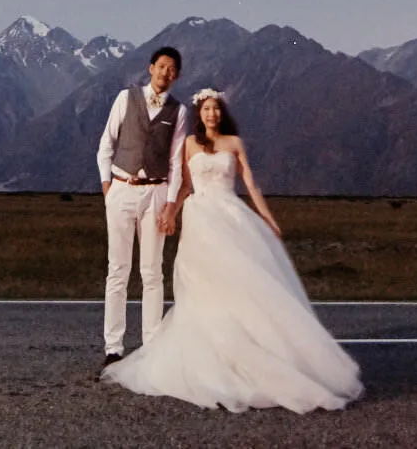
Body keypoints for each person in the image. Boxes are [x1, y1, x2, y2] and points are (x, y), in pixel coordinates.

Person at [102, 88, 363, 413]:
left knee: (240, 284)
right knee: (202, 287)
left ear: (221, 113)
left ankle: (246, 351)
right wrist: (170, 211)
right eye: (207, 109)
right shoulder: (189, 144)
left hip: (230, 217)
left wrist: (267, 218)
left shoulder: (234, 144)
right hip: (199, 220)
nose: (211, 114)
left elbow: (250, 183)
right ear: (200, 113)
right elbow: (183, 184)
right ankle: (210, 352)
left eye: (216, 109)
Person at [95, 45, 187, 364]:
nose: (166, 73)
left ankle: (151, 346)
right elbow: (106, 146)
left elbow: (176, 162)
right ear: (151, 68)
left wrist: (170, 204)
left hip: (156, 193)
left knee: (151, 272)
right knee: (118, 270)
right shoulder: (126, 98)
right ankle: (113, 347)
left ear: (177, 75)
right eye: (161, 66)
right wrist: (108, 190)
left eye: (172, 69)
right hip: (121, 188)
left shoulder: (179, 111)